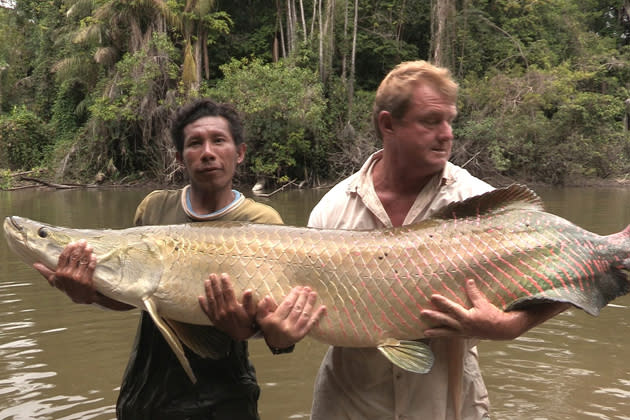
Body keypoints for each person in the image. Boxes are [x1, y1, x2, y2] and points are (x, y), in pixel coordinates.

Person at [307, 60, 569, 420]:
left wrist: (511, 326)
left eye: (449, 120)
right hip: (350, 406)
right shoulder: (331, 211)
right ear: (388, 124)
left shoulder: (482, 205)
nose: (447, 134)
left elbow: (569, 268)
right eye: (431, 121)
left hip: (448, 406)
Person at [33, 98, 325, 420]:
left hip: (227, 398)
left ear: (239, 153)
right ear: (179, 158)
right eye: (195, 143)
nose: (207, 152)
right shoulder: (155, 208)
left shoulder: (263, 222)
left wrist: (242, 329)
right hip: (147, 391)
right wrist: (89, 294)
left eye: (218, 140)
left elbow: (274, 323)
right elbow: (135, 296)